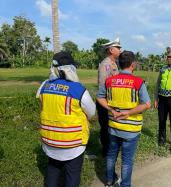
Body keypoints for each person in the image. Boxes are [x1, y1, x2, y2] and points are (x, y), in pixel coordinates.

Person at [36, 51, 96, 187]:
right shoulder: (78, 89)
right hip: (73, 144)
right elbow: (92, 112)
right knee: (72, 175)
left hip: (50, 141)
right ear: (71, 69)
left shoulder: (44, 86)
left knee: (52, 170)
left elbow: (42, 106)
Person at [97, 51, 151, 187]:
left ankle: (109, 180)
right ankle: (125, 185)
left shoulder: (109, 81)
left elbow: (99, 97)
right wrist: (129, 112)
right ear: (133, 64)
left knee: (111, 155)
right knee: (127, 160)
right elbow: (147, 104)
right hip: (131, 130)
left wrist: (111, 109)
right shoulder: (138, 82)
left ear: (119, 64)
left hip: (114, 126)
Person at [97, 38, 121, 157]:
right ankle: (106, 152)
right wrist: (106, 102)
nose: (120, 50)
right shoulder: (106, 64)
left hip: (112, 100)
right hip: (105, 101)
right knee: (105, 127)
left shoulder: (113, 62)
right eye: (118, 48)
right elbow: (102, 85)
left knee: (111, 125)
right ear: (111, 50)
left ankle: (112, 148)